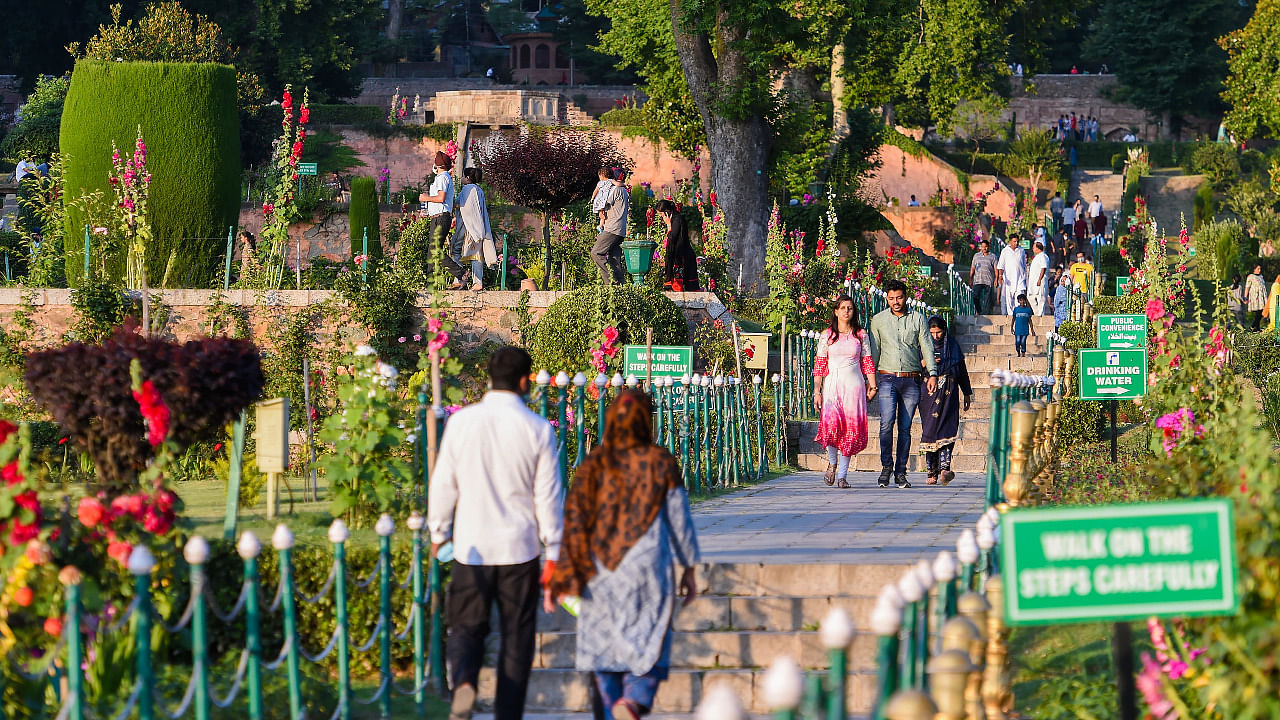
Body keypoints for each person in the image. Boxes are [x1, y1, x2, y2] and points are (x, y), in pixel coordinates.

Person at [428, 346, 564, 720]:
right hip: (519, 550)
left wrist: (438, 532)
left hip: (471, 548)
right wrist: (553, 551)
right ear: (524, 382)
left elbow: (444, 485)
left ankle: (466, 683)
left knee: (465, 628)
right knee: (517, 641)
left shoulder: (461, 423)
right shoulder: (538, 429)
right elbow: (547, 498)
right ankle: (508, 715)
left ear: (489, 378)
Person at [548, 390, 699, 720]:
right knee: (651, 639)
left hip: (599, 570)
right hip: (647, 568)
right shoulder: (660, 462)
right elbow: (679, 520)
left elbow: (573, 523)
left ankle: (613, 703)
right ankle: (632, 700)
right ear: (648, 422)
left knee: (604, 648)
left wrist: (561, 576)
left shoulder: (593, 465)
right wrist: (689, 567)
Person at [869, 280, 938, 489]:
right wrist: (870, 380)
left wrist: (933, 373)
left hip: (911, 379)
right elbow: (874, 351)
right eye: (891, 298)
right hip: (887, 377)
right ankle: (886, 467)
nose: (895, 302)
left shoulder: (917, 318)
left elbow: (927, 346)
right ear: (886, 298)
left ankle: (901, 472)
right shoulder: (879, 320)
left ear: (906, 297)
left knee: (906, 428)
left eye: (899, 297)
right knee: (886, 423)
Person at [813, 295, 877, 489]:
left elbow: (867, 361)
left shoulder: (860, 335)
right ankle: (832, 463)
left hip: (854, 386)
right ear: (836, 311)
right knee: (832, 427)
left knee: (850, 430)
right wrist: (817, 391)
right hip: (832, 385)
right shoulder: (827, 335)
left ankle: (842, 475)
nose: (846, 311)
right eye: (842, 308)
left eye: (849, 308)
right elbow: (820, 365)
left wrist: (872, 385)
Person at [918, 316, 973, 486]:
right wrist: (926, 362)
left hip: (949, 390)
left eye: (939, 332)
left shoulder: (953, 346)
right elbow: (913, 365)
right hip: (928, 391)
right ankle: (931, 472)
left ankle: (944, 469)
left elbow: (961, 370)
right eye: (932, 333)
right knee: (930, 428)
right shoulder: (922, 346)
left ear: (944, 331)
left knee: (947, 427)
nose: (935, 336)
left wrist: (967, 393)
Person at [419, 151, 468, 287]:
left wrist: (425, 198)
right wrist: (427, 211)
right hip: (437, 217)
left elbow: (441, 198)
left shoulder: (442, 178)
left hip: (441, 219)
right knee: (432, 251)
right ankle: (430, 284)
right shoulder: (442, 178)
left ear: (438, 165)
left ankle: (461, 273)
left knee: (435, 250)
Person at [452, 166, 498, 290]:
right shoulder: (479, 190)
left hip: (468, 227)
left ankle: (459, 279)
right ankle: (478, 283)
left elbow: (463, 206)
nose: (461, 178)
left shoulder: (468, 189)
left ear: (467, 178)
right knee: (477, 254)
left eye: (463, 176)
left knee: (456, 250)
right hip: (479, 227)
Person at [592, 168, 630, 284]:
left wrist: (599, 210)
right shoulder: (624, 190)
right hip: (620, 229)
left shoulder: (616, 189)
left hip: (612, 228)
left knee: (596, 252)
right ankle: (621, 285)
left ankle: (610, 281)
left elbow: (603, 202)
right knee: (615, 259)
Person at [656, 199, 698, 291]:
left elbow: (672, 237)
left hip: (682, 256)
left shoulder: (677, 219)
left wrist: (668, 225)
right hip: (677, 255)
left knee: (681, 287)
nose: (660, 217)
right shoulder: (674, 218)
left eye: (661, 214)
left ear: (666, 212)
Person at [995, 234, 1028, 315]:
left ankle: (1019, 314)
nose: (1016, 243)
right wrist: (1000, 276)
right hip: (1008, 279)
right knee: (1009, 299)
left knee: (1020, 297)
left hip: (1020, 279)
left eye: (1017, 241)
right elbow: (1000, 265)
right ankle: (1010, 315)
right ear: (1010, 241)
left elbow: (1023, 265)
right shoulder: (1005, 251)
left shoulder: (1021, 251)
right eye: (1014, 241)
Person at [969, 240, 998, 315]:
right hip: (977, 280)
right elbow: (973, 268)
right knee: (975, 296)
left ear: (989, 247)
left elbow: (996, 269)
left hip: (988, 281)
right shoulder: (976, 256)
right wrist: (970, 279)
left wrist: (996, 279)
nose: (984, 248)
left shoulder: (993, 256)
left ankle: (985, 315)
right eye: (982, 247)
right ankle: (979, 311)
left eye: (986, 246)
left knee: (987, 300)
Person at [1027, 241, 1050, 315]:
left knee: (1041, 299)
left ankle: (1040, 316)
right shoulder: (1037, 257)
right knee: (1030, 297)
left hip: (1041, 281)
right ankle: (1037, 313)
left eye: (1034, 247)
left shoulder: (1043, 256)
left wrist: (1040, 279)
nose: (1032, 249)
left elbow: (1043, 268)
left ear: (1038, 248)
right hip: (1033, 283)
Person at [1246, 264, 1267, 330]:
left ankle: (1254, 327)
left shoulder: (1261, 276)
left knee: (1261, 311)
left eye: (1260, 269)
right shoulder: (1250, 277)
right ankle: (1255, 327)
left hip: (1262, 297)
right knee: (1258, 312)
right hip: (1255, 297)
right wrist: (1245, 297)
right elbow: (1247, 287)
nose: (1259, 270)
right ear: (1254, 269)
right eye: (1258, 269)